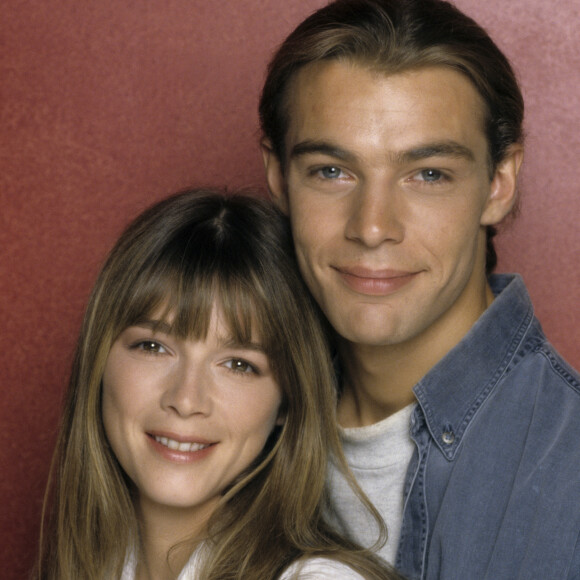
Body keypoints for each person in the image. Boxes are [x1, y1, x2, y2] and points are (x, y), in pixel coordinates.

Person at [259, 0, 580, 578]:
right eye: (332, 171)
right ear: (278, 177)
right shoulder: (225, 423)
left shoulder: (569, 476)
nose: (373, 227)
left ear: (499, 183)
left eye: (427, 174)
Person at [35, 189, 402, 579]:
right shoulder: (95, 564)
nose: (186, 398)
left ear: (287, 402)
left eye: (239, 365)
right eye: (153, 346)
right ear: (100, 363)